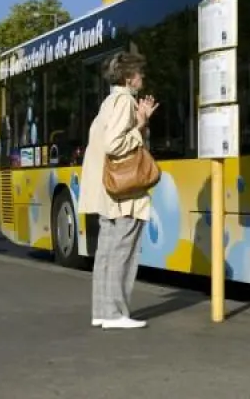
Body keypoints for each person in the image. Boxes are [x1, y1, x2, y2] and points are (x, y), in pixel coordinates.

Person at [79, 52, 159, 330]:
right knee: (122, 252)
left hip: (107, 190)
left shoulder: (109, 101)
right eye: (139, 73)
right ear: (128, 77)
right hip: (123, 192)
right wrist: (141, 124)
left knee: (106, 251)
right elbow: (115, 144)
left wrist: (139, 121)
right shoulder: (124, 102)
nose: (142, 77)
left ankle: (102, 311)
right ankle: (115, 314)